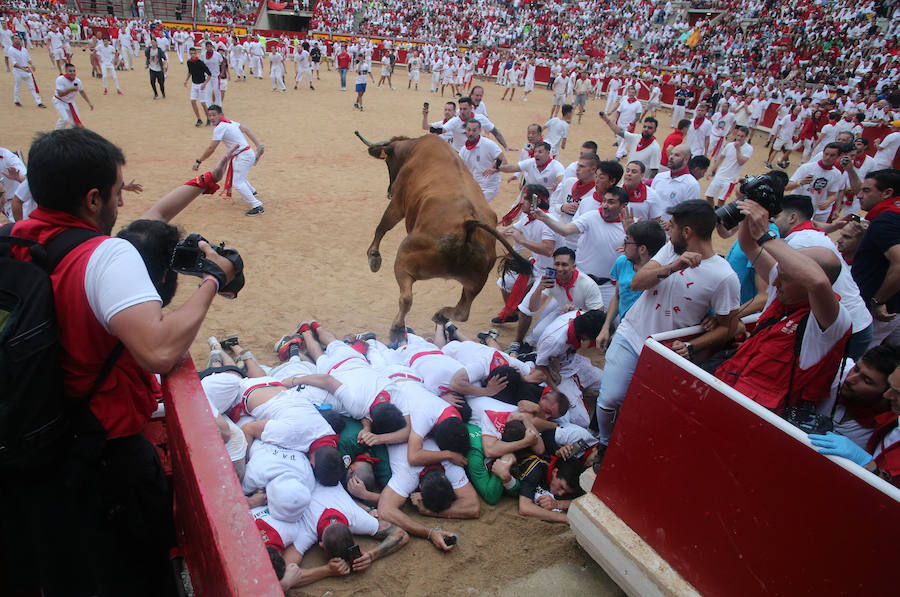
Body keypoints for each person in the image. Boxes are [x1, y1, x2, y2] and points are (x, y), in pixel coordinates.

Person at [4, 127, 240, 596]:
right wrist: (214, 279)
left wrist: (205, 182)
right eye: (115, 193)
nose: (123, 205)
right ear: (93, 200)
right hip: (105, 458)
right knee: (136, 573)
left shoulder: (24, 239)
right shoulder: (106, 256)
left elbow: (151, 219)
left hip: (38, 441)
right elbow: (157, 349)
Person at [597, 200, 740, 450]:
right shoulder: (670, 251)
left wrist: (693, 346)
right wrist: (674, 267)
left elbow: (729, 328)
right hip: (631, 334)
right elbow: (637, 282)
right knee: (609, 399)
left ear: (687, 232)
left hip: (667, 353)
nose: (668, 231)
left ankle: (624, 448)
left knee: (646, 410)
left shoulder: (724, 276)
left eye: (672, 227)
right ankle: (604, 445)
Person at [716, 199, 852, 413]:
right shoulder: (785, 290)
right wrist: (746, 213)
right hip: (733, 388)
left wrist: (766, 237)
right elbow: (749, 246)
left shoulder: (830, 322)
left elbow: (818, 282)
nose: (775, 283)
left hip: (762, 415)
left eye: (786, 277)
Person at [770, 194, 873, 359]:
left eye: (776, 216)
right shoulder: (808, 234)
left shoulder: (799, 243)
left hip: (846, 330)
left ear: (792, 218)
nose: (772, 221)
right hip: (853, 323)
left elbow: (780, 290)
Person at [810, 363, 900, 489]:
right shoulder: (890, 421)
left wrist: (870, 467)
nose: (887, 395)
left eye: (896, 392)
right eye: (890, 387)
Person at [535, 185, 628, 307]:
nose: (605, 205)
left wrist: (630, 233)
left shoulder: (631, 226)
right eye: (604, 201)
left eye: (611, 202)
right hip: (578, 282)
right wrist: (545, 218)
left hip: (607, 287)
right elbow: (565, 230)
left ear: (624, 206)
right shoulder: (591, 216)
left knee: (606, 323)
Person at [596, 220, 667, 349]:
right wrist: (606, 327)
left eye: (627, 241)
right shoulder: (622, 262)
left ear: (642, 249)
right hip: (626, 332)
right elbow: (618, 296)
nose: (623, 245)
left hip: (651, 339)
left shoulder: (663, 274)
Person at [814, 345, 900, 449]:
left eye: (867, 381)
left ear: (889, 394)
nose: (850, 379)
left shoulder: (890, 430)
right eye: (856, 369)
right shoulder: (836, 372)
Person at [852, 169, 900, 347]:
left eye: (866, 190)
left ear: (887, 193)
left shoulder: (886, 220)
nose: (859, 195)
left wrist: (878, 301)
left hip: (876, 313)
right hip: (892, 310)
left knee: (854, 358)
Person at [193, 105, 266, 216]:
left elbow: (211, 148)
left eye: (214, 115)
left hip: (243, 156)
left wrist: (199, 161)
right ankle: (252, 191)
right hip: (246, 153)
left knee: (237, 182)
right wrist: (258, 145)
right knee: (239, 175)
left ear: (220, 115)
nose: (211, 118)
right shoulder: (229, 122)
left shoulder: (220, 127)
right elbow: (246, 129)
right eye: (209, 115)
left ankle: (257, 205)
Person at [785, 143, 846, 224]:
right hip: (797, 207)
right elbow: (787, 187)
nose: (828, 158)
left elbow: (833, 194)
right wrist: (800, 182)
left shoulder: (836, 174)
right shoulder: (806, 168)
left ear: (838, 157)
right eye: (826, 154)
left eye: (832, 155)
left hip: (817, 211)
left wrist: (828, 201)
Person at [484, 141, 565, 194]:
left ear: (548, 153)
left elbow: (562, 179)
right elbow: (513, 167)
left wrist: (559, 184)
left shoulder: (556, 166)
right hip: (530, 199)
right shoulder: (531, 162)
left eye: (540, 152)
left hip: (548, 202)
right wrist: (498, 169)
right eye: (535, 151)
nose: (536, 154)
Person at [600, 113, 661, 178]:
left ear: (655, 130)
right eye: (644, 126)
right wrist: (606, 119)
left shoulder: (655, 148)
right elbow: (619, 132)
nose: (646, 129)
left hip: (641, 184)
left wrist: (647, 185)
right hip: (627, 179)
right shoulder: (635, 138)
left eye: (650, 128)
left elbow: (654, 170)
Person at [650, 144, 701, 219]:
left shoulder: (692, 185)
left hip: (671, 229)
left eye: (676, 155)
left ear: (686, 159)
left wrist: (671, 223)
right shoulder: (659, 177)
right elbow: (650, 200)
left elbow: (690, 213)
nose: (671, 157)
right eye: (671, 154)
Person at [458, 120, 504, 202]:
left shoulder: (489, 144)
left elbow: (504, 161)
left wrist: (494, 169)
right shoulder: (463, 150)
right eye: (468, 130)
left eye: (474, 130)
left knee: (474, 205)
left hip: (489, 187)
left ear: (479, 130)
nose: (471, 133)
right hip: (473, 186)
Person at [53, 62, 92, 129]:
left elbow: (82, 92)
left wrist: (89, 103)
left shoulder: (77, 81)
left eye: (74, 71)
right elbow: (60, 94)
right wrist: (71, 89)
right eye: (70, 71)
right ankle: (56, 133)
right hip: (59, 101)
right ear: (66, 71)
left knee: (76, 123)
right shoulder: (60, 79)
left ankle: (71, 135)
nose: (73, 73)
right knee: (65, 119)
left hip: (70, 102)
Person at [8, 35, 44, 108]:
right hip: (18, 71)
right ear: (12, 40)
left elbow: (28, 59)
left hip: (26, 70)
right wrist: (23, 68)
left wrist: (32, 64)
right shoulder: (11, 50)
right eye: (15, 39)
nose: (17, 40)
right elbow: (14, 63)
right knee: (18, 86)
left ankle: (39, 102)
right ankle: (16, 100)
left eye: (18, 39)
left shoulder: (24, 49)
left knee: (32, 86)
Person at [184, 46, 211, 127]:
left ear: (196, 53)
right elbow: (190, 72)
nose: (192, 55)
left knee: (203, 103)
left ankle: (208, 118)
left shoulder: (200, 63)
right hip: (194, 84)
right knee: (193, 101)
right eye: (191, 54)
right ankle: (199, 119)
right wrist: (186, 80)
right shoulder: (189, 62)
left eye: (194, 53)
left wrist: (204, 83)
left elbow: (209, 74)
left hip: (201, 84)